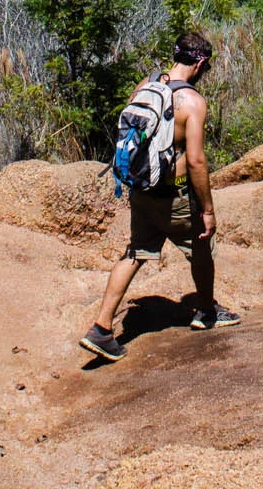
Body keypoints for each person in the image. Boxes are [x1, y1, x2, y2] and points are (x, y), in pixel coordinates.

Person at [80, 32, 239, 361]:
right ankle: (207, 311)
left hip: (140, 189)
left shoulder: (146, 84)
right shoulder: (192, 103)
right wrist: (207, 209)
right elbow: (195, 160)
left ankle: (102, 328)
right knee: (201, 245)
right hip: (173, 193)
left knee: (135, 254)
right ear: (201, 63)